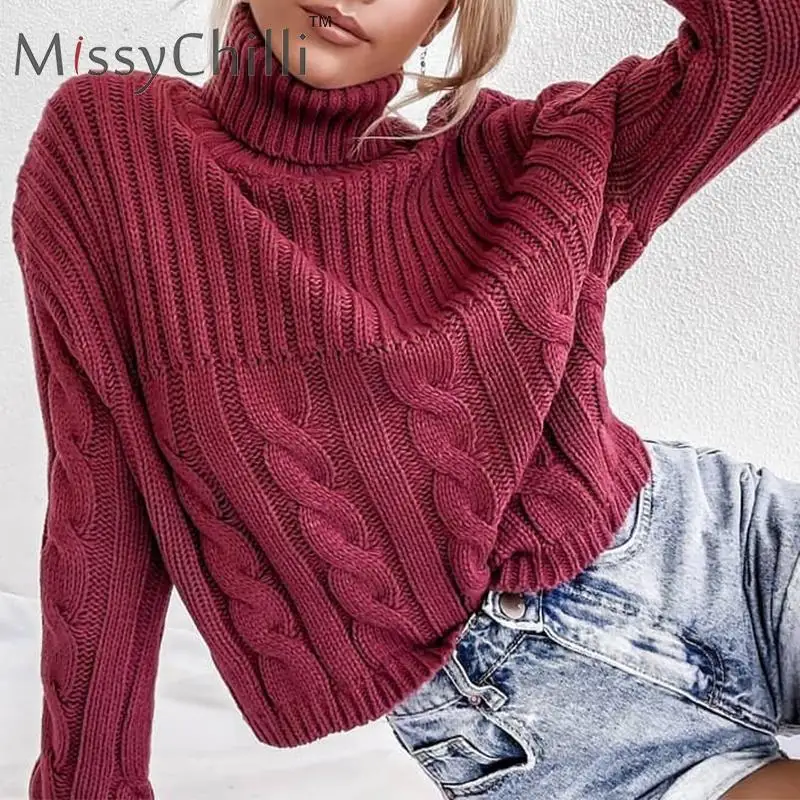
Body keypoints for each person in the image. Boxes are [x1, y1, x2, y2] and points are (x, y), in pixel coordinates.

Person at [10, 0, 800, 797]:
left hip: (720, 556)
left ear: (444, 15)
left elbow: (772, 40)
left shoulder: (537, 153)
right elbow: (100, 498)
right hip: (522, 719)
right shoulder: (114, 151)